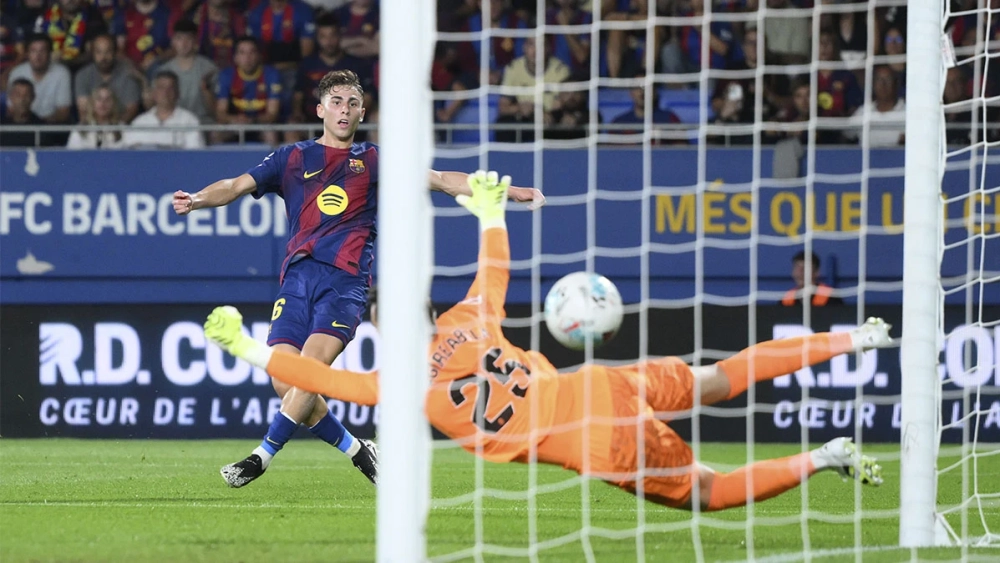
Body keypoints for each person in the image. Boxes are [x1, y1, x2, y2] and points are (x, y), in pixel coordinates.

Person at [203, 170, 888, 511]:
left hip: (598, 438)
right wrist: (492, 211)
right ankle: (850, 336)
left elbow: (323, 382)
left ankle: (826, 455)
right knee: (718, 378)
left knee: (709, 490)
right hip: (602, 382)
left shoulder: (406, 386)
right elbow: (492, 270)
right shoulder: (468, 319)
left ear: (380, 326)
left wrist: (250, 349)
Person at [174, 71, 545, 489]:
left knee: (308, 371)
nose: (343, 110)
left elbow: (441, 180)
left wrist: (508, 192)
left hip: (345, 283)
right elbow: (236, 185)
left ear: (362, 112)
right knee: (285, 381)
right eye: (335, 101)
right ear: (320, 110)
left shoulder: (373, 160)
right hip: (296, 279)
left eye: (352, 103)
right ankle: (359, 451)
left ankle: (261, 456)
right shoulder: (291, 158)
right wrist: (197, 200)